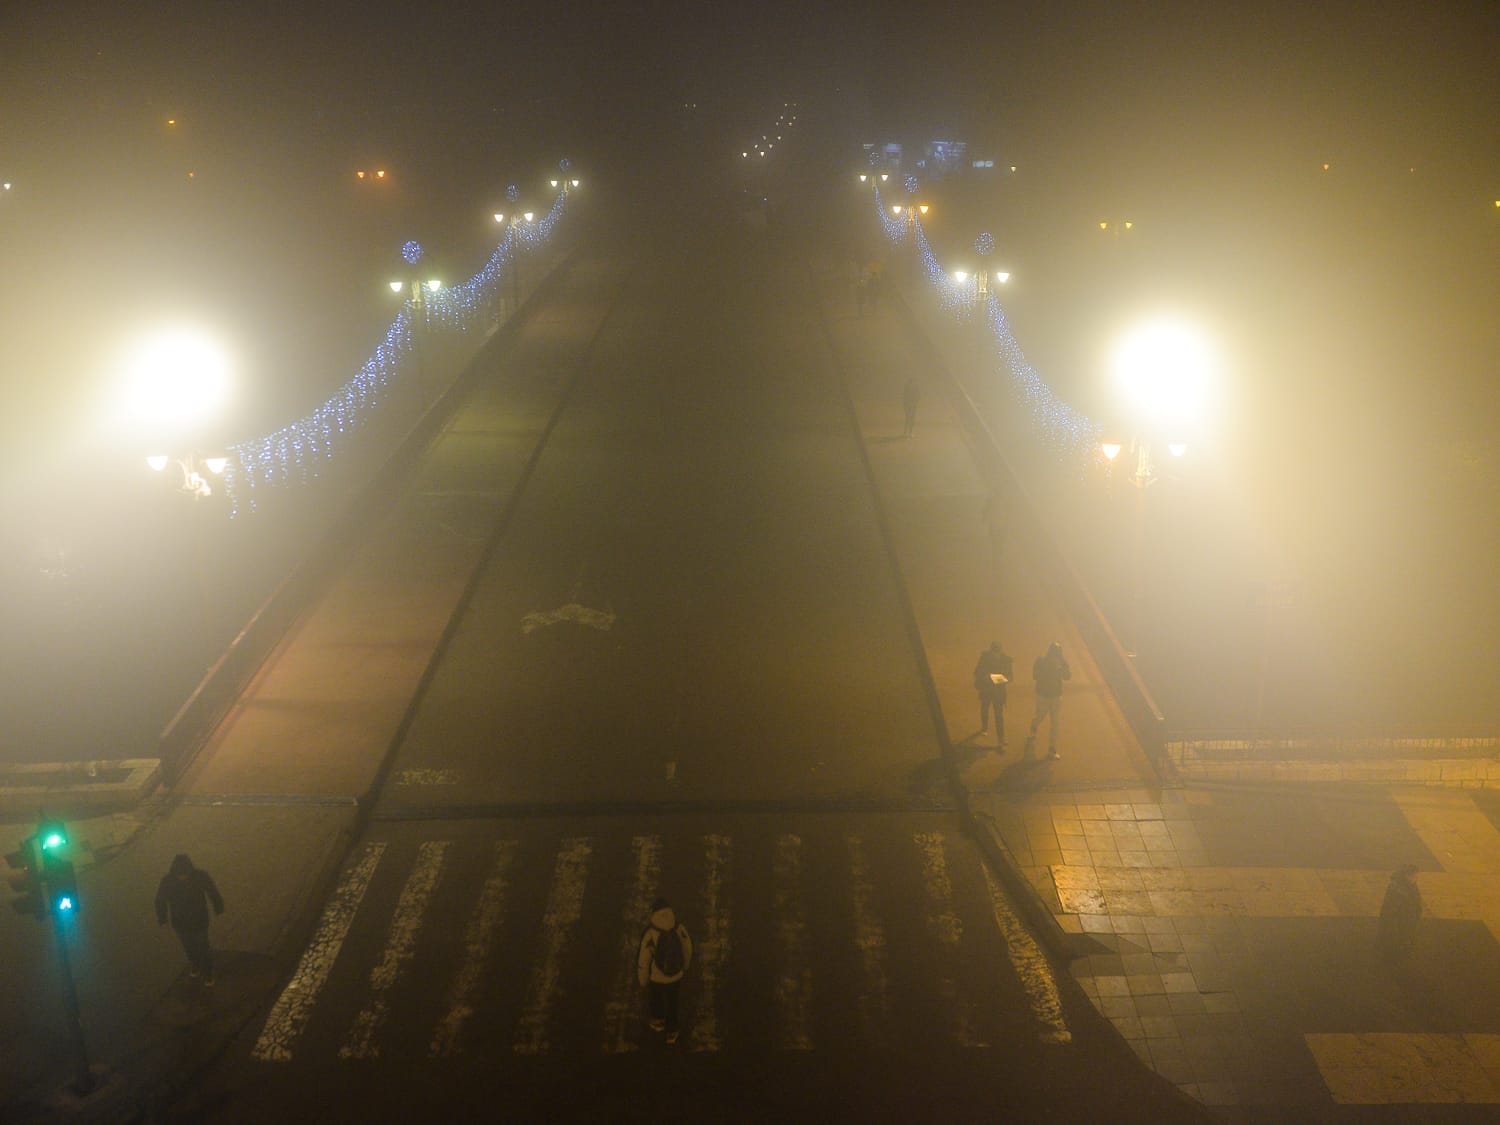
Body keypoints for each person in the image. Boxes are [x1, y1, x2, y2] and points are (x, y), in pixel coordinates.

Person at [155, 854, 225, 984]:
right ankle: (195, 965)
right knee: (188, 946)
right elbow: (160, 900)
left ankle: (208, 973)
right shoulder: (167, 881)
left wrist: (218, 906)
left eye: (185, 874)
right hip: (180, 923)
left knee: (203, 947)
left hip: (199, 920)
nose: (183, 877)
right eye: (180, 875)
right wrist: (163, 919)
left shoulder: (200, 876)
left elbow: (212, 891)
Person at [637, 897, 693, 1044]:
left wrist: (643, 979)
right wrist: (685, 966)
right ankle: (672, 1031)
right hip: (675, 976)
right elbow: (687, 948)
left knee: (656, 999)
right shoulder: (679, 927)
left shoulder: (651, 932)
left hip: (657, 977)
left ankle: (658, 1022)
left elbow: (644, 958)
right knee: (673, 1002)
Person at [1025, 642, 1071, 760]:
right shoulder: (1041, 661)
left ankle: (1052, 749)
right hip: (1043, 695)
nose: (1055, 656)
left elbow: (1068, 676)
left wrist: (1060, 669)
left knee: (1055, 722)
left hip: (1056, 695)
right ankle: (1034, 725)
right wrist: (1049, 670)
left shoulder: (1062, 662)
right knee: (1040, 715)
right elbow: (1035, 676)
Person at [1377, 864, 1422, 964]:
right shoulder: (1398, 889)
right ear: (1407, 875)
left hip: (1407, 919)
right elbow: (1391, 910)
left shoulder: (1410, 885)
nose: (1416, 878)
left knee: (1404, 940)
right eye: (1414, 876)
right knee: (1397, 943)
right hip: (1400, 922)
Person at [972, 641, 1013, 746]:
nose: (995, 654)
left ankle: (1001, 739)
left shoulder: (1006, 660)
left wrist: (991, 677)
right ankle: (984, 728)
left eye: (997, 652)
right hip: (986, 690)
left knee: (998, 715)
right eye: (993, 652)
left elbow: (1009, 678)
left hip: (998, 693)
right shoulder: (985, 658)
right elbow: (977, 672)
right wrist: (984, 677)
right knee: (984, 708)